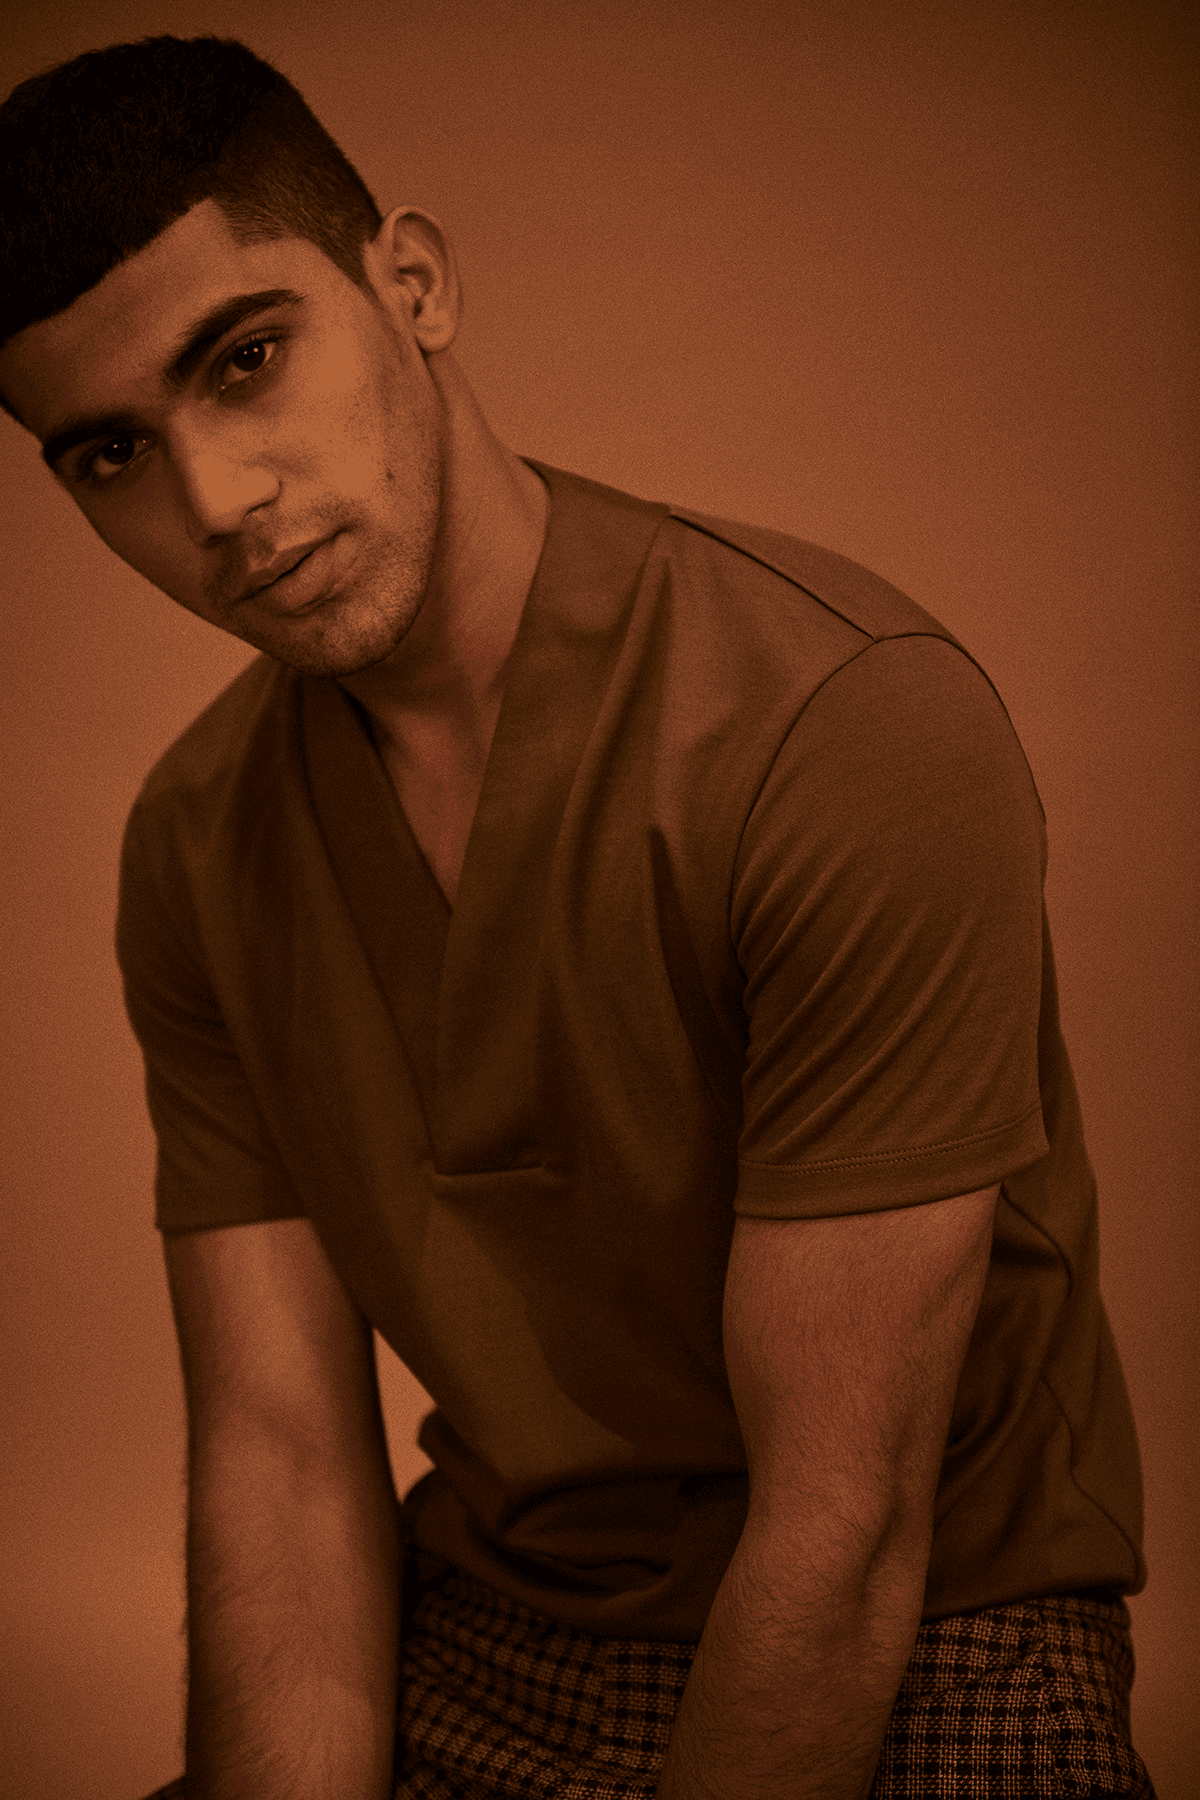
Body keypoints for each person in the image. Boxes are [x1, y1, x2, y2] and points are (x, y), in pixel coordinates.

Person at [0, 34, 1154, 1800]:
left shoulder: (846, 731)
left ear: (413, 282)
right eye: (110, 454)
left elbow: (846, 1531)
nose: (214, 502)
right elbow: (287, 1464)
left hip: (937, 1624)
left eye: (245, 359)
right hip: (493, 1620)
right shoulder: (195, 843)